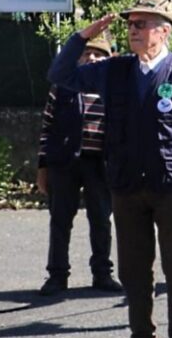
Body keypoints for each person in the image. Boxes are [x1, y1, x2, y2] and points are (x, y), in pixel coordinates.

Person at [47, 0, 172, 338]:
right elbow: (60, 75)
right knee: (134, 272)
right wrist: (81, 35)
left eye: (141, 24)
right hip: (126, 186)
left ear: (164, 30)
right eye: (130, 23)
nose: (132, 29)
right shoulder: (115, 69)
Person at [36, 33, 120, 296]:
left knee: (101, 219)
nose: (91, 58)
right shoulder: (62, 86)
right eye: (86, 53)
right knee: (60, 220)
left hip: (100, 164)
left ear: (108, 59)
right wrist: (43, 168)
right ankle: (57, 275)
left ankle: (102, 274)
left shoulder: (114, 88)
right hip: (64, 163)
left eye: (98, 54)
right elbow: (47, 128)